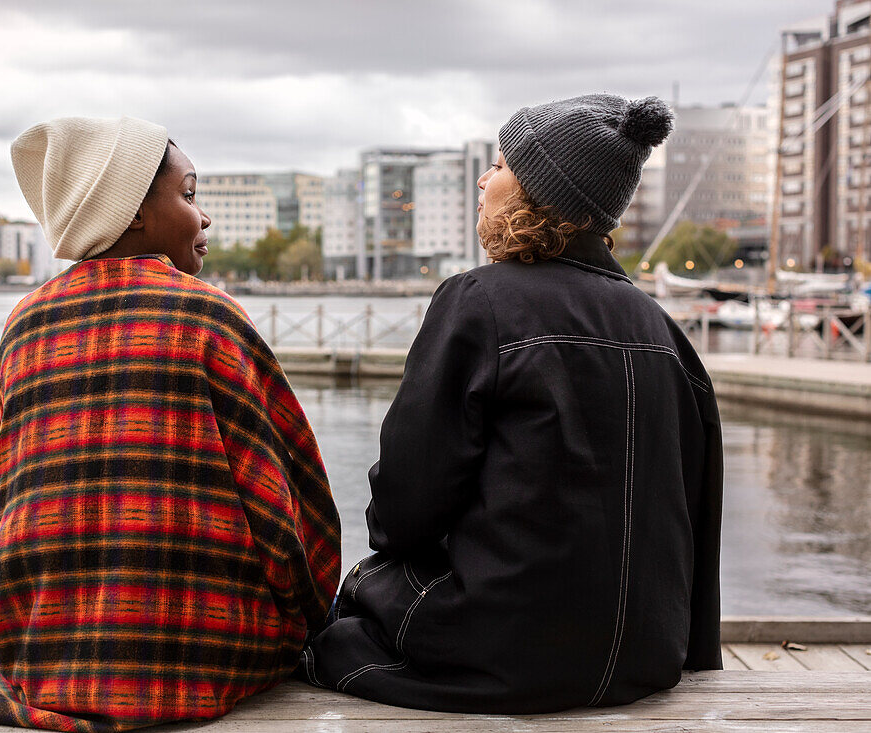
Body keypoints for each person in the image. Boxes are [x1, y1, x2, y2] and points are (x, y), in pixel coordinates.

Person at [0, 116, 341, 731]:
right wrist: (317, 618)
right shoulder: (209, 317)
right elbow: (289, 503)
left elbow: (13, 496)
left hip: (44, 650)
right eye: (188, 194)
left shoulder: (25, 323)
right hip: (206, 652)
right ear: (131, 213)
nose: (204, 217)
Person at [302, 95, 723, 713]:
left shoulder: (480, 300)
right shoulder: (662, 327)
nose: (483, 178)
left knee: (348, 609)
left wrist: (394, 553)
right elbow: (697, 507)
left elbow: (406, 503)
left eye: (499, 165)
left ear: (537, 192)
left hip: (504, 650)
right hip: (645, 655)